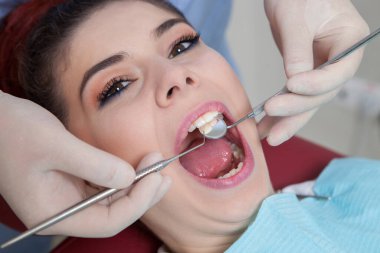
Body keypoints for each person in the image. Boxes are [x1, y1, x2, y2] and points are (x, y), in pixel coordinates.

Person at [3, 1, 380, 252]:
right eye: (117, 87)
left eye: (182, 45)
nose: (175, 76)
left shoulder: (362, 189)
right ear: (86, 178)